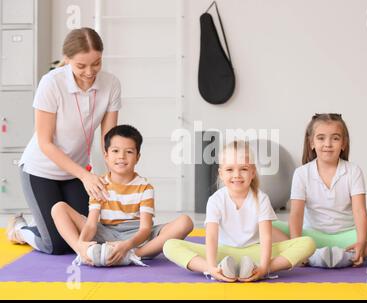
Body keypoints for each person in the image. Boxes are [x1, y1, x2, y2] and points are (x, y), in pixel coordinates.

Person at [6, 28, 122, 254]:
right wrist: (86, 175)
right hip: (40, 171)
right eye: (81, 66)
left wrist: (115, 174)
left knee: (87, 234)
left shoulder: (111, 84)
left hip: (74, 174)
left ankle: (41, 223)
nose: (90, 72)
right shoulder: (51, 83)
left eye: (96, 63)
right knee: (56, 245)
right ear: (67, 59)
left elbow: (109, 139)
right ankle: (20, 229)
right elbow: (45, 142)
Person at [163, 141, 315, 282]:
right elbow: (211, 236)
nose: (236, 175)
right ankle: (218, 269)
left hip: (255, 252)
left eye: (243, 169)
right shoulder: (216, 200)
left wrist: (263, 266)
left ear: (252, 172)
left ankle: (255, 268)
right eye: (230, 169)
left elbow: (266, 237)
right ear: (221, 173)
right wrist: (210, 266)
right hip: (221, 253)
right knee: (169, 245)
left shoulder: (261, 198)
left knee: (307, 243)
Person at [273, 113, 367, 268]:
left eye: (335, 138)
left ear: (343, 144)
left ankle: (351, 253)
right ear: (311, 143)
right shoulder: (302, 173)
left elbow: (360, 211)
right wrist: (297, 245)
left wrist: (360, 241)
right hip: (310, 237)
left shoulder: (353, 171)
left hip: (348, 237)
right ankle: (312, 254)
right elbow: (296, 214)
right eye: (321, 138)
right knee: (261, 224)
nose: (328, 144)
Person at [51, 124, 194, 266]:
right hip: (106, 233)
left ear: (137, 157)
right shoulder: (99, 184)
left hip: (137, 237)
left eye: (129, 152)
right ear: (106, 156)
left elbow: (145, 229)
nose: (121, 156)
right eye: (115, 151)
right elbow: (91, 224)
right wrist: (82, 243)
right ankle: (82, 251)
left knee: (185, 222)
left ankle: (134, 255)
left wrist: (127, 246)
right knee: (58, 208)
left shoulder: (145, 188)